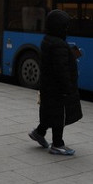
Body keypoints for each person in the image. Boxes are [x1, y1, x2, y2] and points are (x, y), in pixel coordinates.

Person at [28, 9, 82, 155]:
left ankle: (39, 133)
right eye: (65, 26)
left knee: (49, 111)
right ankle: (57, 144)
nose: (67, 29)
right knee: (59, 115)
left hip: (48, 85)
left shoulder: (48, 40)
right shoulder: (59, 44)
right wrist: (67, 88)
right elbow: (61, 69)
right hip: (58, 88)